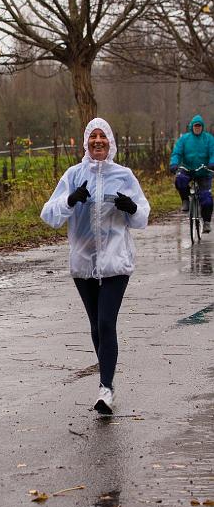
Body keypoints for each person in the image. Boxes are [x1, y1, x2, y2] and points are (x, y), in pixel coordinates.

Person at [41, 118, 150, 415]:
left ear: (110, 142)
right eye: (93, 136)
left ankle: (106, 388)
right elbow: (48, 214)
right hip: (84, 262)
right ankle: (106, 380)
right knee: (95, 325)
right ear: (86, 143)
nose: (98, 141)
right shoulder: (74, 175)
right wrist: (70, 200)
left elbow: (142, 217)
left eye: (103, 136)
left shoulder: (124, 175)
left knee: (106, 322)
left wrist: (132, 208)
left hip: (116, 261)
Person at [169, 114, 214, 233]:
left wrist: (212, 163)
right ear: (192, 127)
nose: (197, 128)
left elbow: (213, 153)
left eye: (199, 126)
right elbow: (177, 153)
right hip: (188, 169)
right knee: (179, 179)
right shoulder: (184, 139)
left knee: (207, 199)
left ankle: (207, 222)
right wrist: (174, 164)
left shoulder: (209, 139)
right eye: (195, 126)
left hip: (204, 170)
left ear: (202, 127)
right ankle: (185, 199)